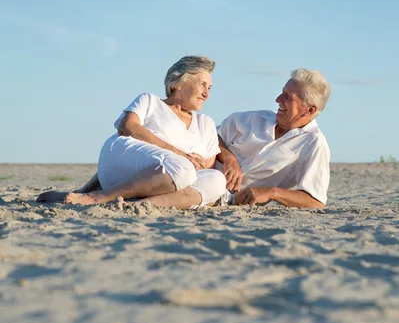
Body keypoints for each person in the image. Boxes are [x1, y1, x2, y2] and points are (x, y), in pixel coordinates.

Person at [37, 55, 226, 209]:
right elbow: (128, 127)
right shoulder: (151, 101)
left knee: (217, 180)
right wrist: (179, 154)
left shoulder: (205, 123)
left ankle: (138, 204)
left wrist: (199, 163)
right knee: (182, 168)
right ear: (179, 82)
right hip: (124, 158)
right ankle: (96, 197)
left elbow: (207, 163)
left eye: (209, 88)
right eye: (202, 84)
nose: (206, 93)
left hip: (171, 179)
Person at [217, 68, 331, 208]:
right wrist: (228, 157)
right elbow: (209, 135)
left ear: (310, 110)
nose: (278, 99)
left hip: (221, 199)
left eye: (288, 97)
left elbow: (315, 201)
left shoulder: (314, 144)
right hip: (198, 174)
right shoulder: (250, 119)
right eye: (282, 92)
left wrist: (272, 192)